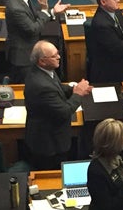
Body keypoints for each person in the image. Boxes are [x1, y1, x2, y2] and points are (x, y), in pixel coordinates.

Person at [23, 41, 91, 169]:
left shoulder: (45, 71)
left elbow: (58, 88)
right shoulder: (41, 85)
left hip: (50, 135)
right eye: (54, 56)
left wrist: (74, 89)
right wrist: (78, 93)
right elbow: (64, 112)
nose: (59, 57)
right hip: (49, 144)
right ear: (42, 61)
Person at [5, 0, 67, 82]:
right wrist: (45, 11)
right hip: (23, 58)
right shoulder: (15, 7)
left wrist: (52, 11)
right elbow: (33, 29)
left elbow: (33, 17)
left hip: (30, 51)